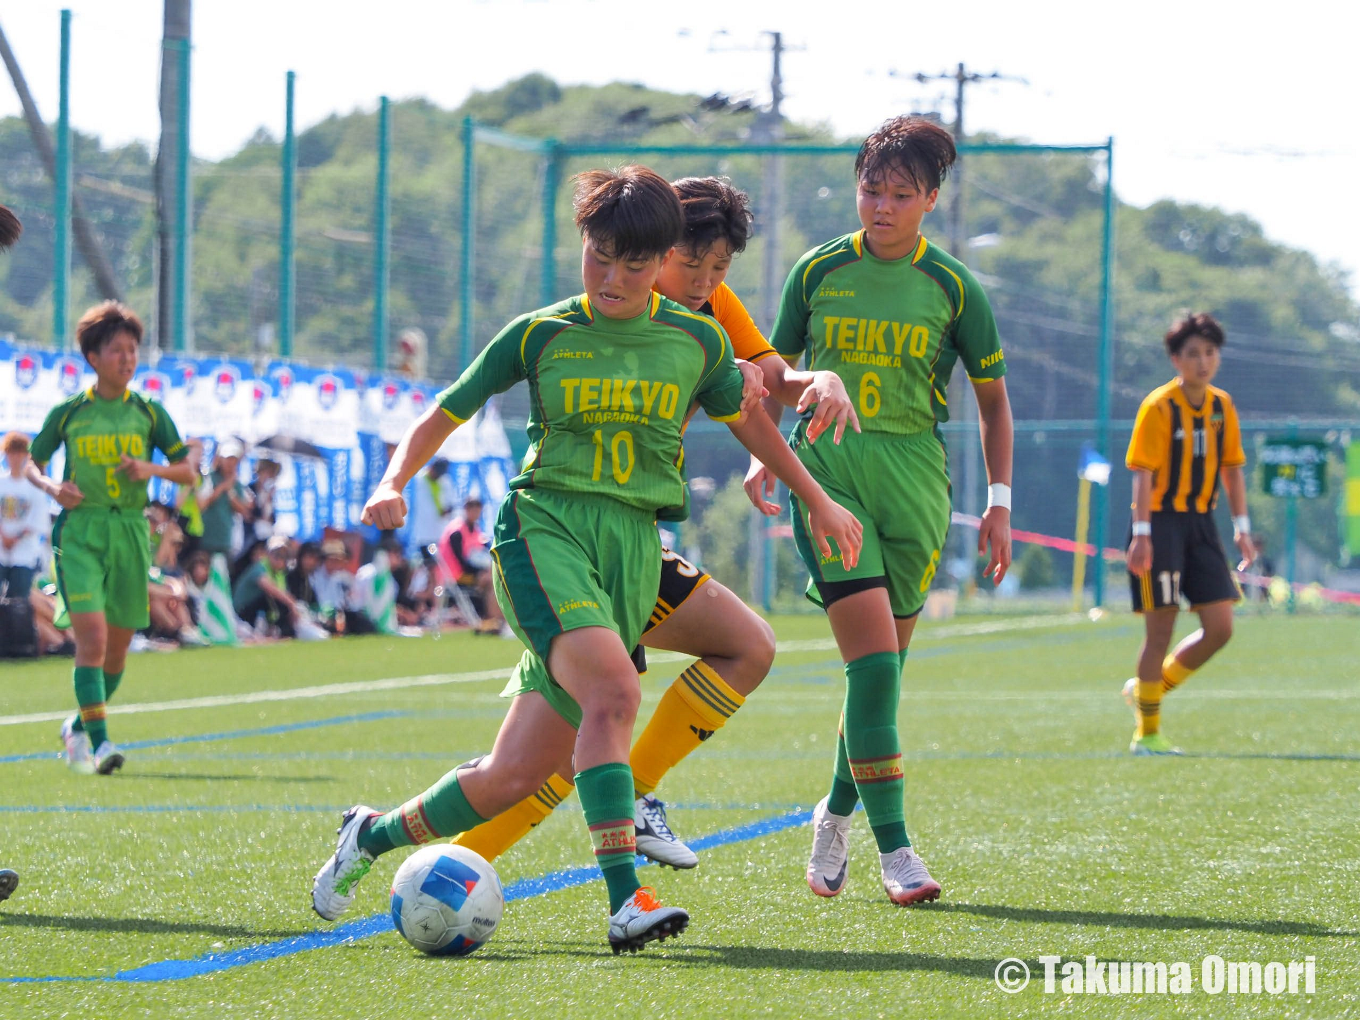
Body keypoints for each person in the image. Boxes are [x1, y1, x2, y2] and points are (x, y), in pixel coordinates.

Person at [312, 165, 862, 953]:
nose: (612, 277)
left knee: (511, 776)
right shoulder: (541, 333)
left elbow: (754, 424)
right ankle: (624, 898)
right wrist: (393, 478)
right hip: (544, 531)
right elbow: (447, 409)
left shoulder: (698, 340)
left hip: (634, 548)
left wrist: (816, 497)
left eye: (633, 264)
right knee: (612, 689)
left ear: (660, 259)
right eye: (598, 256)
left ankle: (369, 835)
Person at [450, 175, 859, 869]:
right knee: (565, 742)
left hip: (633, 541)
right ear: (656, 244)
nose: (703, 281)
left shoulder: (707, 308)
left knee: (732, 656)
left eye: (718, 269)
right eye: (690, 263)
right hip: (566, 539)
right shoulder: (609, 303)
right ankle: (456, 863)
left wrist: (817, 380)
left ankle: (474, 859)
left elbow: (763, 378)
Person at [750, 115, 1013, 906]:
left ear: (931, 198)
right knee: (870, 665)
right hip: (830, 475)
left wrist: (999, 503)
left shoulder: (955, 287)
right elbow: (765, 375)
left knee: (881, 678)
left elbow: (995, 405)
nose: (882, 207)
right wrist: (765, 457)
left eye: (902, 193)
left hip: (917, 481)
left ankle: (834, 813)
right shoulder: (818, 269)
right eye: (871, 189)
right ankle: (898, 852)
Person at [25, 301, 195, 775]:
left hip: (129, 531)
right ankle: (101, 746)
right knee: (93, 639)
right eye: (117, 349)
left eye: (133, 350)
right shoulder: (70, 412)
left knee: (118, 651)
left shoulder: (148, 412)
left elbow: (188, 472)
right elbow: (32, 462)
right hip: (81, 532)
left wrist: (151, 468)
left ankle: (78, 725)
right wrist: (54, 487)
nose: (127, 358)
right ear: (93, 358)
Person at [1122, 312, 1253, 754]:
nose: (1203, 361)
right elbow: (1141, 473)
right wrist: (1142, 534)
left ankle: (1146, 693)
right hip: (1160, 524)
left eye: (1210, 352)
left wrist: (1242, 528)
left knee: (1220, 628)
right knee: (1160, 630)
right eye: (1193, 353)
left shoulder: (1222, 406)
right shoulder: (1159, 406)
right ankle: (1148, 733)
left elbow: (1233, 470)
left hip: (1201, 524)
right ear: (1176, 359)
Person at [440, 496, 505, 633]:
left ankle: (492, 621)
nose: (475, 512)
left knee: (496, 576)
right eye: (471, 508)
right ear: (466, 509)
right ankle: (494, 621)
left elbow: (483, 551)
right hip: (456, 576)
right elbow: (462, 562)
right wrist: (481, 572)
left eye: (477, 509)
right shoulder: (457, 531)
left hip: (468, 574)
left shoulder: (474, 529)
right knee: (492, 581)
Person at [1, 432, 50, 599]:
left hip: (24, 553)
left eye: (19, 453)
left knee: (17, 603)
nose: (15, 458)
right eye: (11, 452)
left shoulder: (33, 486)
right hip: (1, 550)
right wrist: (4, 536)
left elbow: (38, 521)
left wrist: (15, 539)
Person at [233, 535, 303, 637]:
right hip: (242, 615)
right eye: (277, 554)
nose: (279, 559)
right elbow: (271, 589)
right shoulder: (259, 568)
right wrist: (292, 605)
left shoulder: (280, 574)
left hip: (256, 614)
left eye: (283, 556)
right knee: (271, 598)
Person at [198, 439, 251, 566]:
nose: (230, 463)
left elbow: (243, 510)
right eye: (228, 458)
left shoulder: (237, 484)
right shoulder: (208, 477)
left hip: (225, 541)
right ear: (220, 458)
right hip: (206, 538)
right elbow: (203, 503)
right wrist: (223, 487)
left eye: (234, 460)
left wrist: (230, 490)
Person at [407, 457, 455, 555]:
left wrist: (446, 511)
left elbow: (452, 504)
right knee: (425, 561)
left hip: (438, 534)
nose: (437, 475)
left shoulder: (445, 481)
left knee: (434, 560)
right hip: (421, 535)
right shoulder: (418, 479)